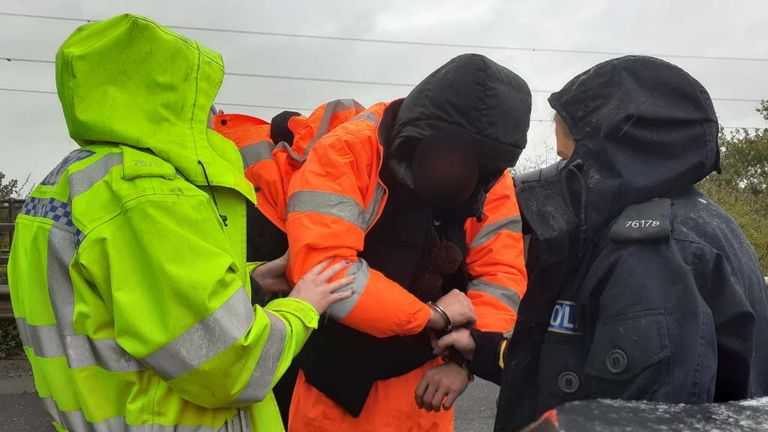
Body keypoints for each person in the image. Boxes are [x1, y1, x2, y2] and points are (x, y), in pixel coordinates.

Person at [7, 14, 356, 432]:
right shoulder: (151, 196)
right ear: (165, 101)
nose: (214, 117)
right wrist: (304, 306)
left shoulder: (67, 184)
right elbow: (232, 366)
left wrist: (255, 278)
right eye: (202, 101)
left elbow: (131, 300)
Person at [433, 55, 768, 431]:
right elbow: (583, 368)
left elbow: (638, 418)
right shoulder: (701, 222)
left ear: (615, 154)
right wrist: (484, 350)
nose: (560, 176)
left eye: (569, 158)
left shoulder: (653, 253)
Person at [258, 53, 530, 432]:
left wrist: (464, 363)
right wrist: (435, 315)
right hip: (333, 389)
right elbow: (326, 269)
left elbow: (499, 275)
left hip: (427, 391)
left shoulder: (490, 176)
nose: (457, 173)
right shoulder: (349, 150)